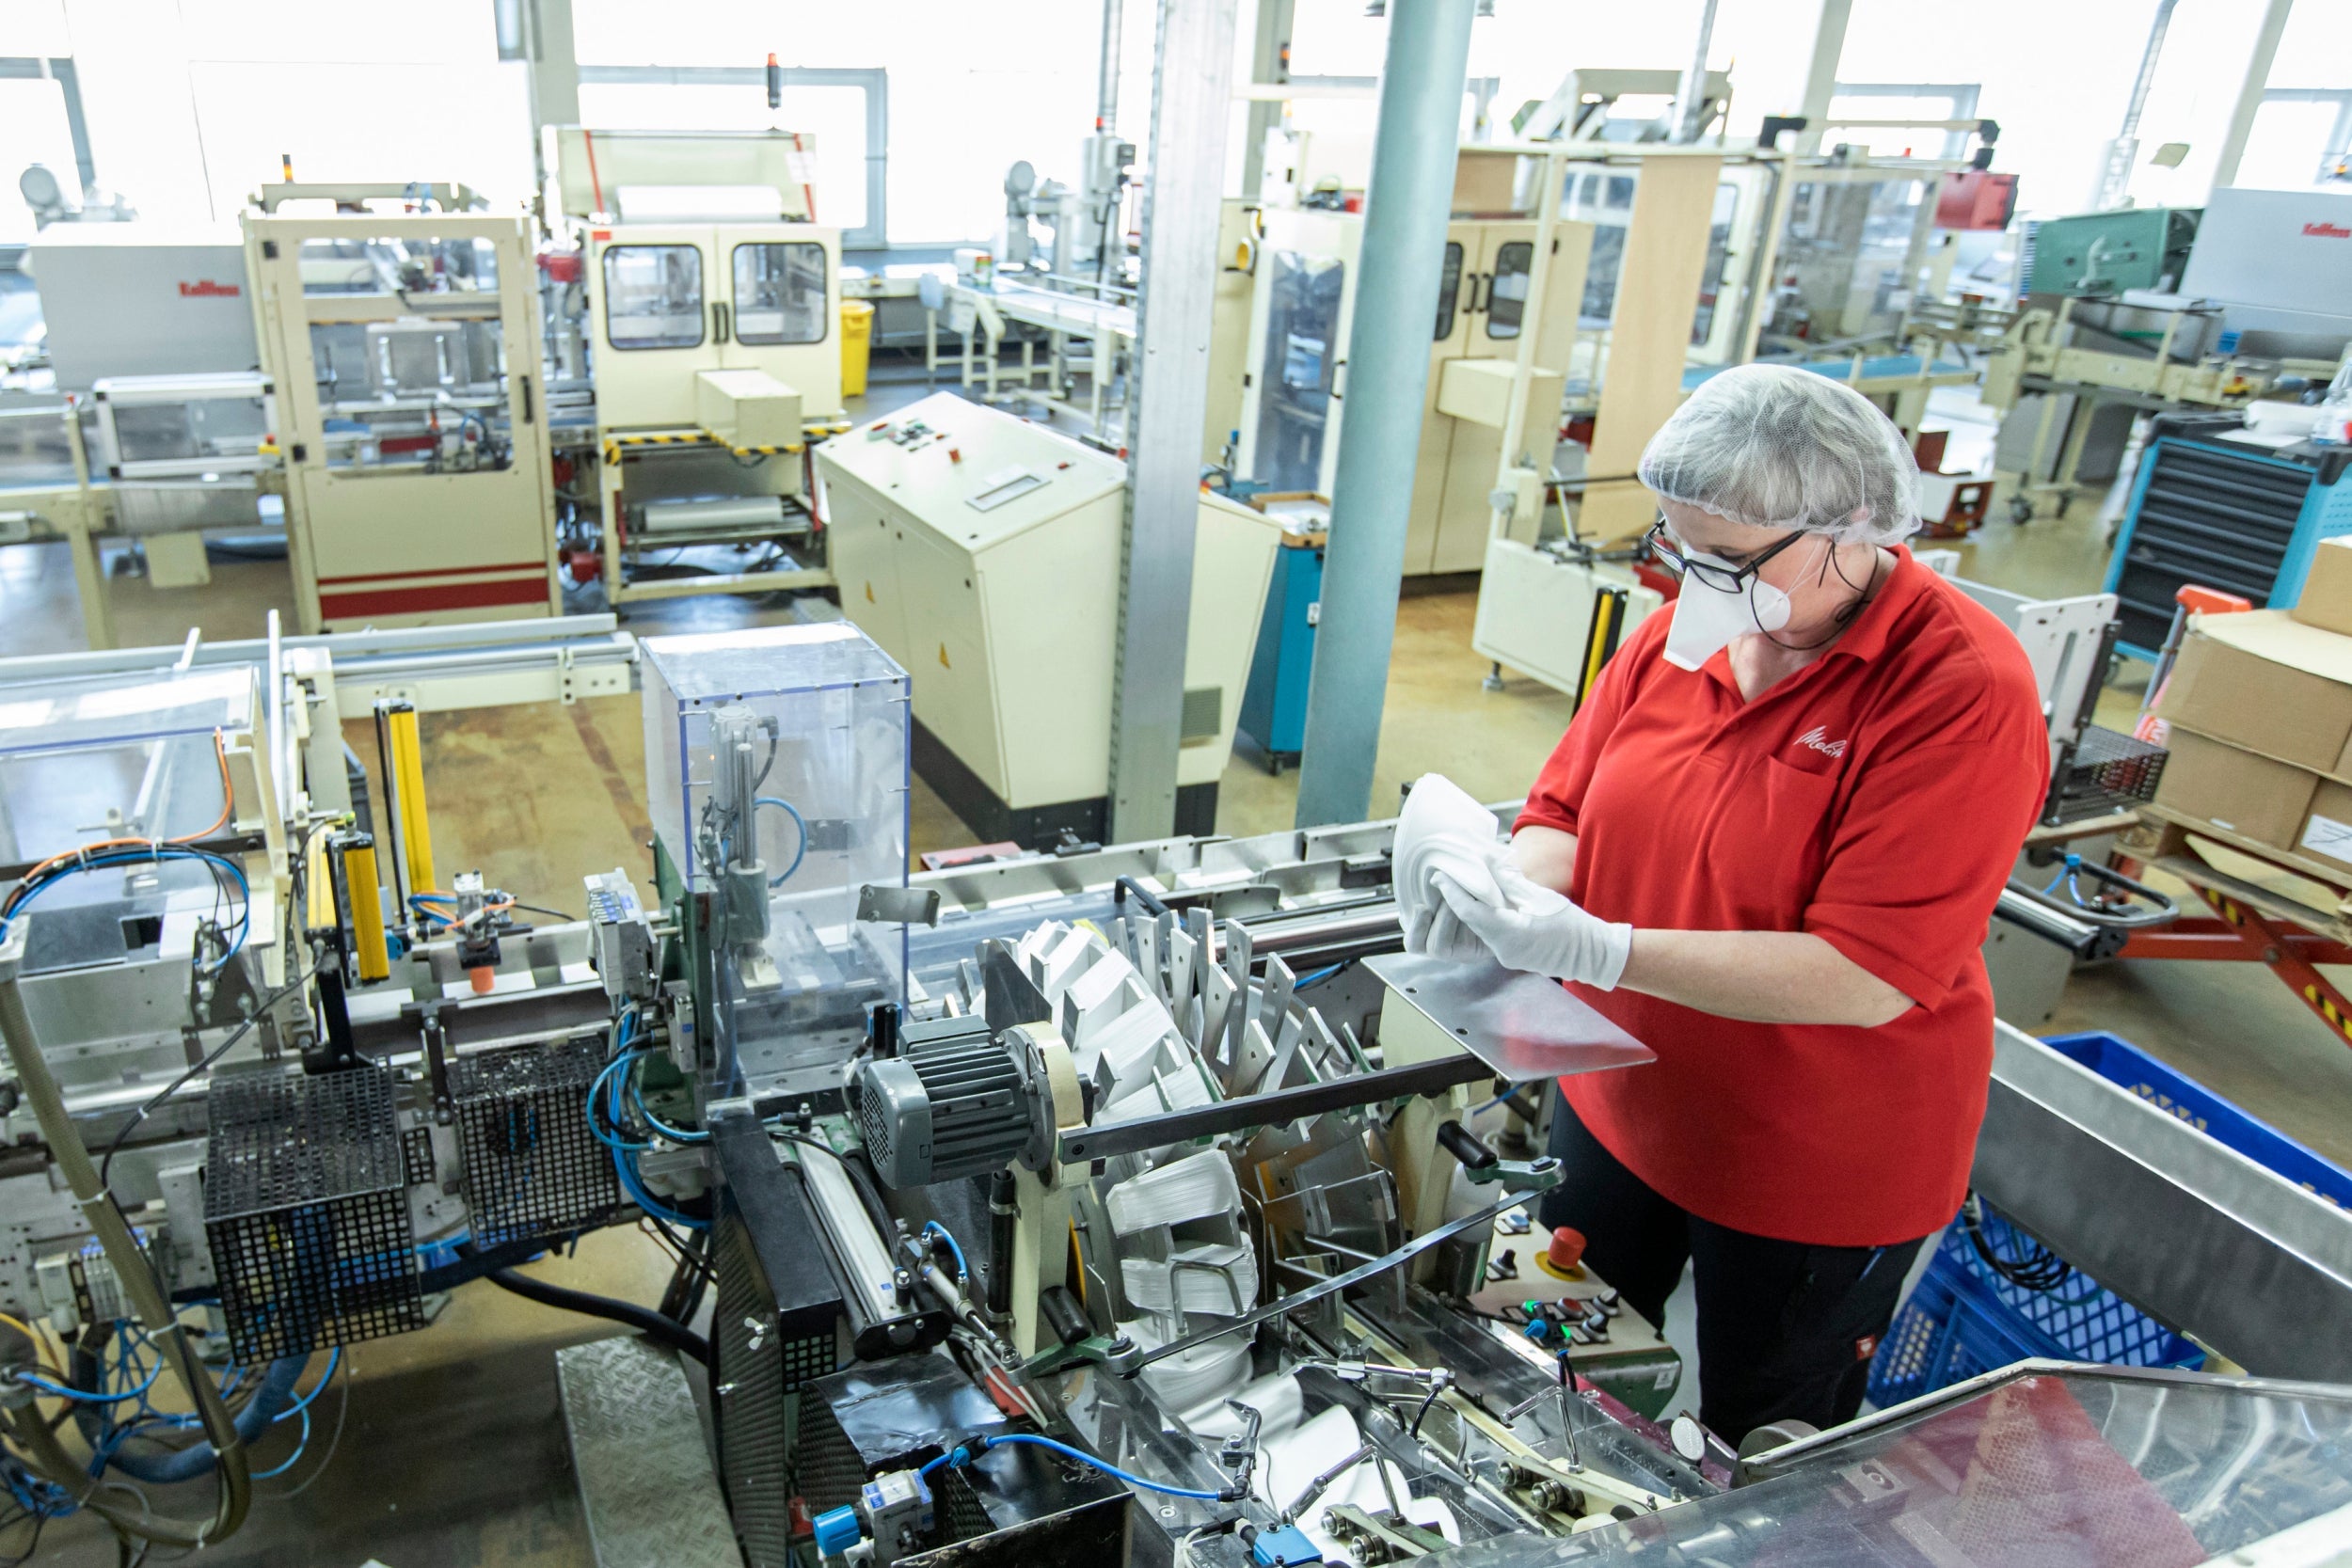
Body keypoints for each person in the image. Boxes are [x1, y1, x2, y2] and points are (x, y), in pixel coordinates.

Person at [1401, 363, 2049, 1445]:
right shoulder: (1676, 634)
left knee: (1764, 1439)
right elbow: (1562, 805)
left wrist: (1593, 947)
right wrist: (1510, 894)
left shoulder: (1960, 691)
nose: (1696, 582)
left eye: (1729, 558)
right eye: (1677, 546)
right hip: (1614, 1103)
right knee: (1559, 1363)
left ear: (1856, 532)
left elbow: (1866, 971)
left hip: (1809, 1162)